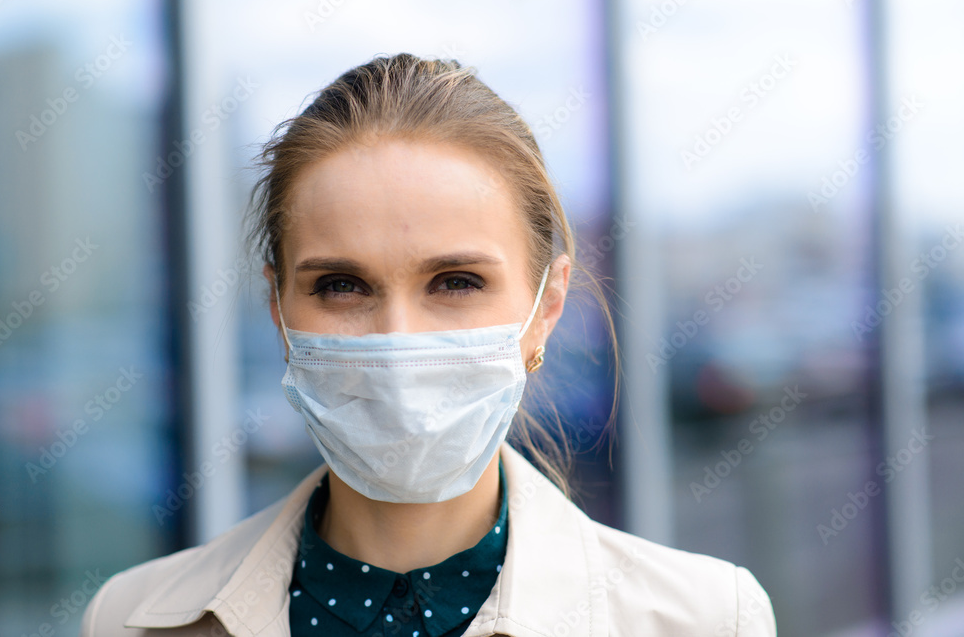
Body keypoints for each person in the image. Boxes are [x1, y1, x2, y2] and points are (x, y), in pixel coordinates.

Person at [80, 53, 776, 636]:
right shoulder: (133, 619)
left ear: (547, 307)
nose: (398, 342)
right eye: (342, 286)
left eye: (456, 281)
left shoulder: (709, 619)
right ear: (278, 308)